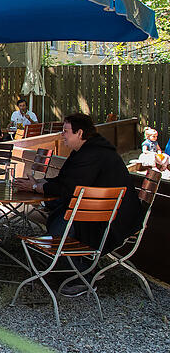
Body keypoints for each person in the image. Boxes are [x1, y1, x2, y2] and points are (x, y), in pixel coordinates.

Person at [15, 113, 142, 296]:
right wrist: (40, 185)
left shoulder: (92, 154)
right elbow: (66, 183)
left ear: (80, 133)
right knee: (57, 227)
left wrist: (36, 186)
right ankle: (78, 267)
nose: (62, 135)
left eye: (66, 131)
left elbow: (68, 188)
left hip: (111, 220)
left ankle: (84, 272)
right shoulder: (87, 151)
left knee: (56, 235)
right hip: (98, 213)